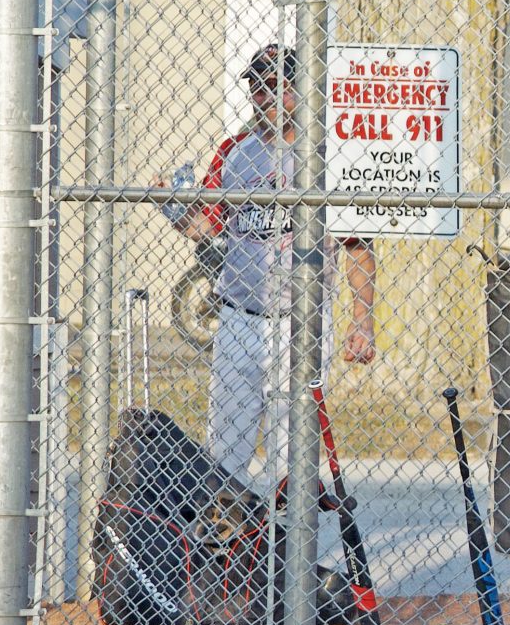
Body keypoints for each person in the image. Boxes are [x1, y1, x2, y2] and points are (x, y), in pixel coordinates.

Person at [156, 44, 379, 482]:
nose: (265, 96)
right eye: (257, 87)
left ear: (304, 90)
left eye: (278, 86)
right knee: (225, 453)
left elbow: (356, 248)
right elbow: (208, 225)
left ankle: (284, 545)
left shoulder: (329, 155)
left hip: (306, 319)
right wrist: (174, 208)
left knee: (292, 458)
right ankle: (233, 545)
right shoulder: (234, 150)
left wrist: (362, 320)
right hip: (240, 318)